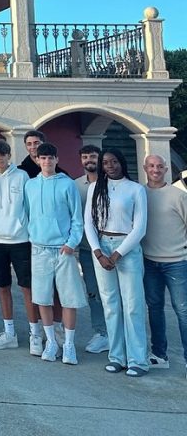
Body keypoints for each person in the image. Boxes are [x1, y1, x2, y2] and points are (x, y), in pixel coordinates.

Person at [84, 147, 149, 376]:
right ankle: (117, 357)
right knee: (110, 305)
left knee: (132, 305)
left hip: (127, 248)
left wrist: (117, 254)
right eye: (105, 162)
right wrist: (98, 253)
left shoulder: (136, 189)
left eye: (114, 161)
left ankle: (138, 360)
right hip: (102, 246)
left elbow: (140, 228)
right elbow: (89, 223)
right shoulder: (94, 188)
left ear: (122, 162)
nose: (110, 166)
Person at [24, 143, 87, 364]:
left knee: (69, 298)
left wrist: (71, 243)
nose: (47, 161)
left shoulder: (67, 184)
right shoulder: (30, 185)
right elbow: (27, 214)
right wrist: (32, 237)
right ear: (37, 160)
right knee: (43, 298)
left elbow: (77, 218)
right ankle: (50, 341)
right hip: (39, 249)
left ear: (56, 160)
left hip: (63, 250)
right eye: (43, 158)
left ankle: (68, 344)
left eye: (50, 158)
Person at [0, 139, 42, 354]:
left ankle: (36, 335)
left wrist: (27, 230)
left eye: (3, 154)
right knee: (2, 286)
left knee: (27, 287)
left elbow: (29, 206)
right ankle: (9, 333)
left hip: (21, 240)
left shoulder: (22, 176)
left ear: (9, 155)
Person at [141, 154, 187, 374]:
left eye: (160, 166)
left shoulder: (178, 196)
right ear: (145, 168)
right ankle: (159, 354)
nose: (155, 170)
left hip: (177, 262)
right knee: (154, 308)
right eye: (151, 166)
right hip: (149, 262)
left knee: (183, 310)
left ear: (166, 170)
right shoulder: (140, 194)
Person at [74, 144, 109, 355]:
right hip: (88, 250)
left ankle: (119, 332)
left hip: (112, 249)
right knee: (94, 292)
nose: (89, 160)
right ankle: (102, 333)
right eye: (85, 156)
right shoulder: (76, 185)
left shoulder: (111, 182)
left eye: (93, 156)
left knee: (114, 293)